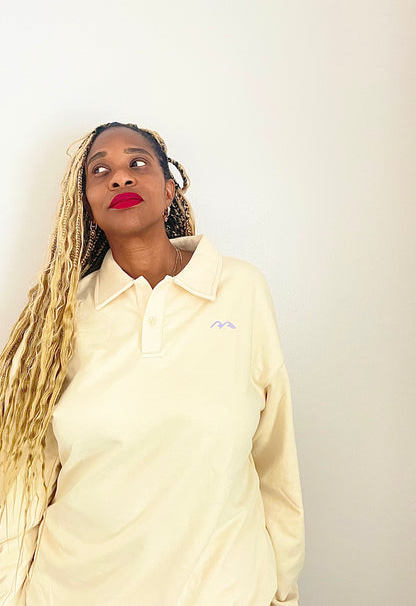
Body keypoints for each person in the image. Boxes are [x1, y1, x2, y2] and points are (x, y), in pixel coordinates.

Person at [0, 121, 305, 606]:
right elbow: (25, 482)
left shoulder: (241, 289)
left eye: (136, 163)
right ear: (87, 205)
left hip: (223, 591)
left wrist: (283, 589)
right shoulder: (59, 319)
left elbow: (276, 458)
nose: (119, 177)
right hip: (74, 591)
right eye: (100, 171)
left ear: (168, 191)